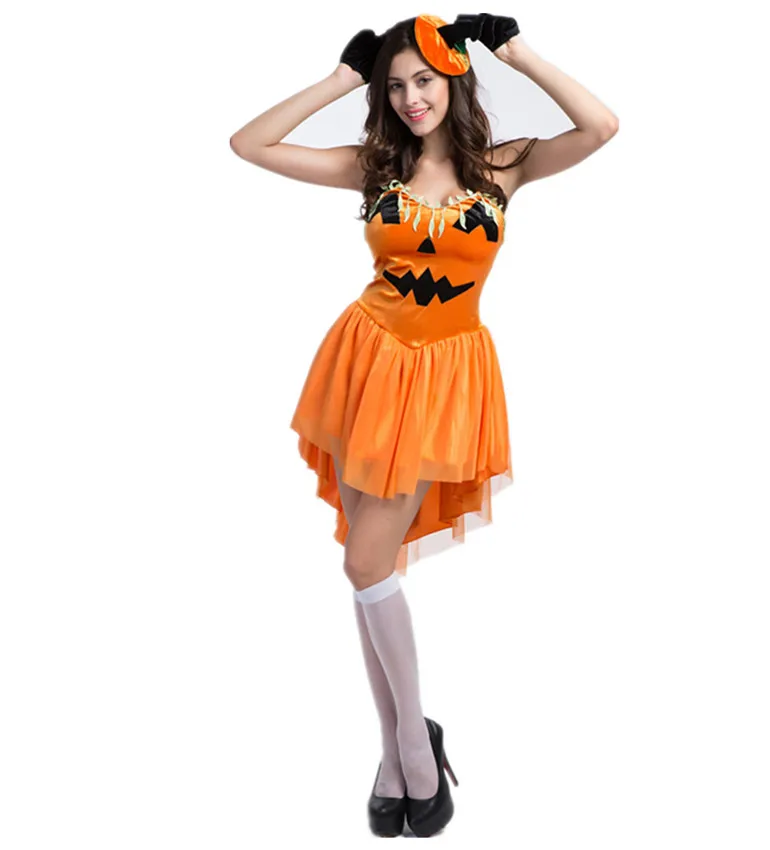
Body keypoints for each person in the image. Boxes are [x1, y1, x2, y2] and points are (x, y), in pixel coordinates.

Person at [230, 12, 618, 837]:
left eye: (425, 82)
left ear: (453, 83)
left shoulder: (504, 166)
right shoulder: (374, 168)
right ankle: (401, 746)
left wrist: (515, 52)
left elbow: (601, 126)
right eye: (397, 85)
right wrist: (343, 77)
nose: (412, 98)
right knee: (365, 565)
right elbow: (249, 144)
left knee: (367, 561)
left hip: (443, 378)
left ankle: (411, 739)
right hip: (365, 363)